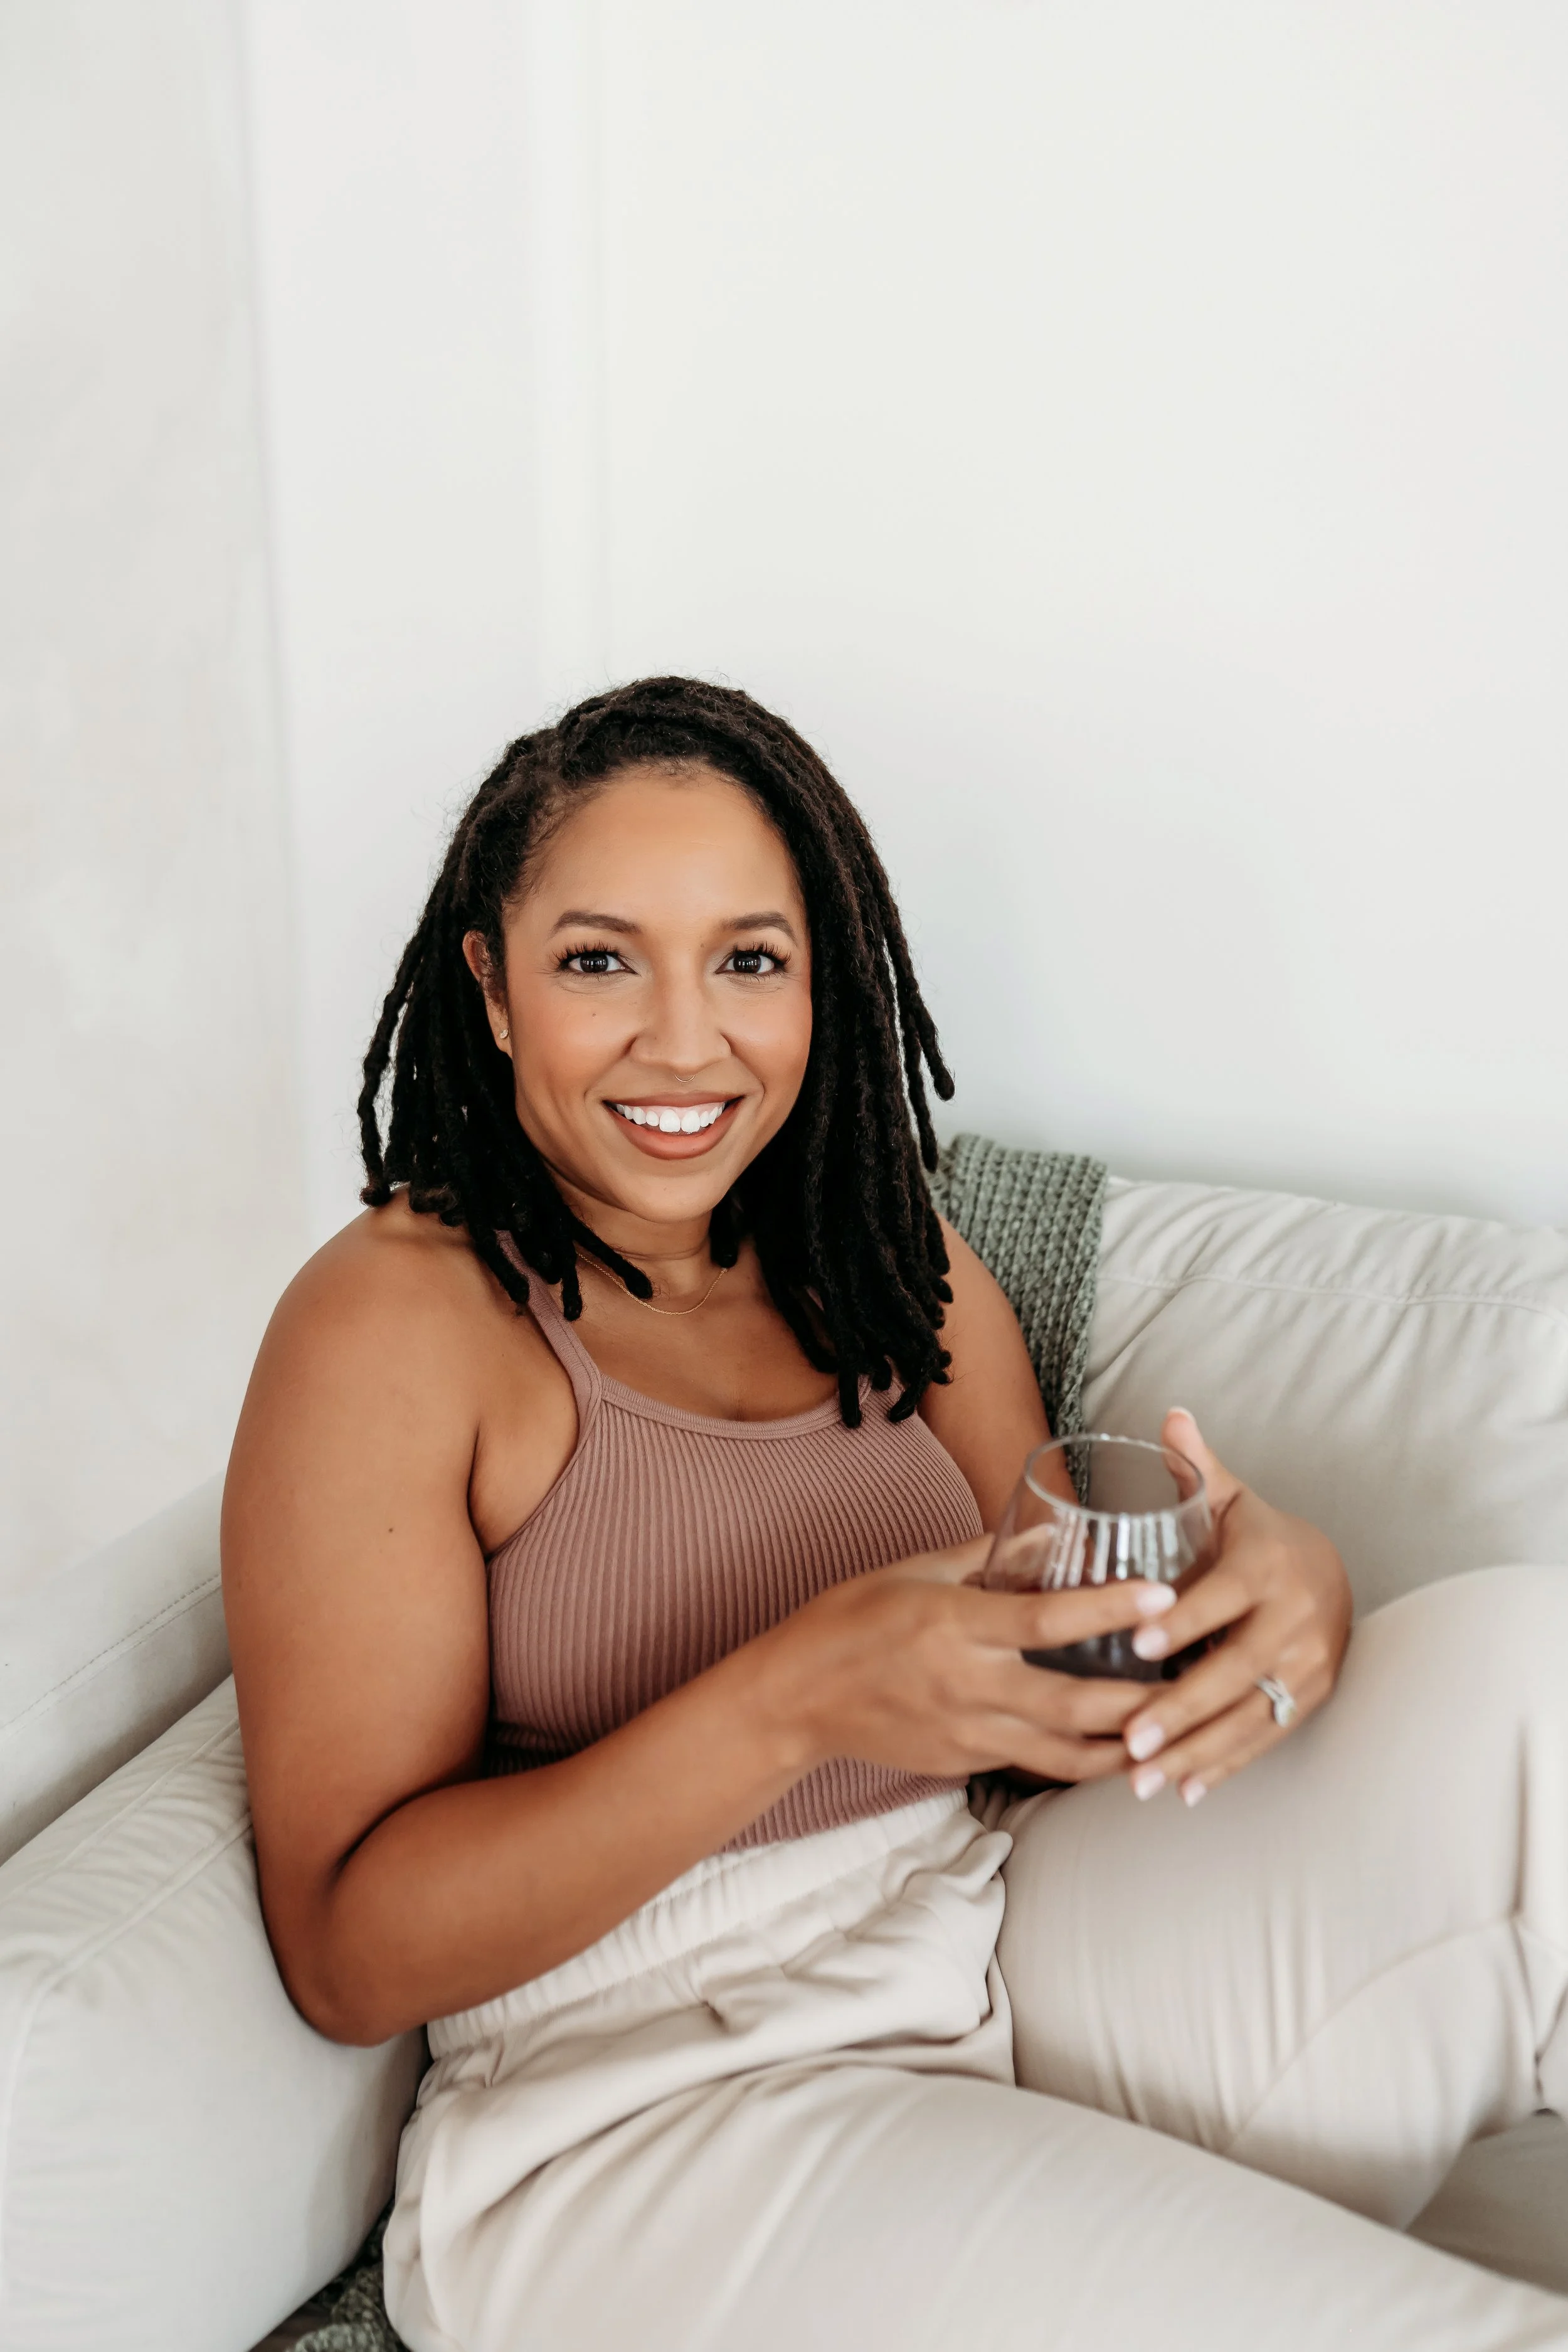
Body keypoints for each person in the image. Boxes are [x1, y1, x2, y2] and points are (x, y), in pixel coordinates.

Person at [223, 677, 1568, 2352]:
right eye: (596, 959)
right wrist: (793, 1694)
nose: (681, 1036)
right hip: (649, 2101)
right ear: (490, 984)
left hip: (982, 1930)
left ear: (823, 981)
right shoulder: (397, 1319)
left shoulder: (877, 1250)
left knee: (1535, 1668)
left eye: (747, 958)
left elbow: (1066, 1609)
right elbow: (348, 1948)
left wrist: (1283, 1592)